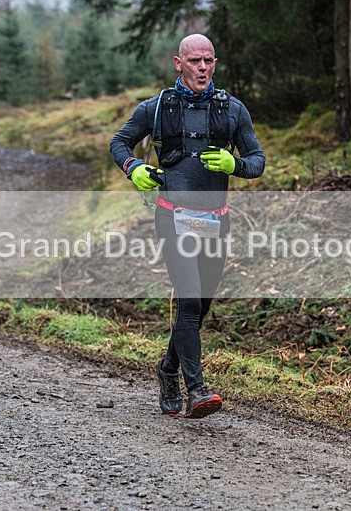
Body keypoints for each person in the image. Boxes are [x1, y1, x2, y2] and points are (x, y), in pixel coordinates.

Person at [110, 34, 265, 418]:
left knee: (199, 307)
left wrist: (237, 166)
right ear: (178, 63)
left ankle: (167, 369)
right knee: (190, 300)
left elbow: (257, 160)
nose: (202, 67)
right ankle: (196, 390)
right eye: (194, 60)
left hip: (215, 221)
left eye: (209, 60)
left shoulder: (232, 110)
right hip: (172, 216)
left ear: (215, 63)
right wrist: (135, 169)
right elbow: (120, 142)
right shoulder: (157, 107)